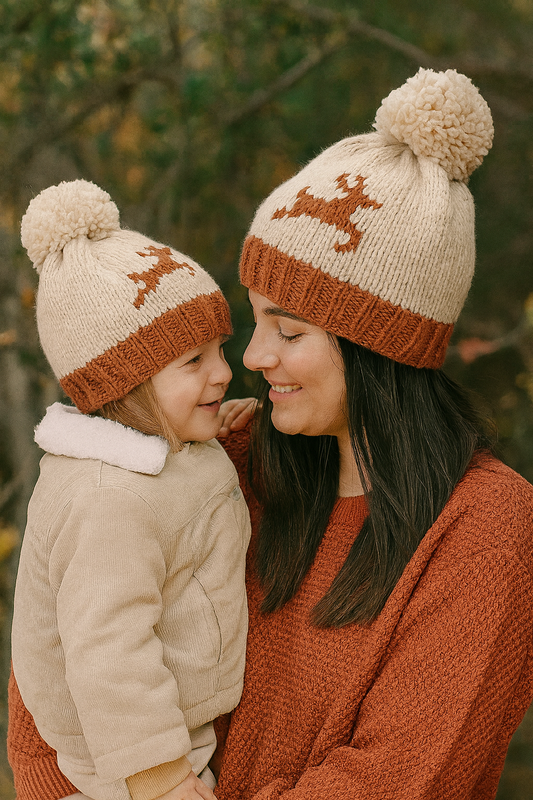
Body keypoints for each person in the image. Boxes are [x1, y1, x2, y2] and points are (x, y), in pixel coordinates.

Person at [8, 68, 533, 800]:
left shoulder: (484, 529)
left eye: (287, 330)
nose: (253, 359)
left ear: (378, 346)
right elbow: (60, 646)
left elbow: (393, 778)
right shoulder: (223, 459)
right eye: (254, 321)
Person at [9, 180, 251, 800]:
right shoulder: (106, 500)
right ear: (127, 386)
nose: (223, 371)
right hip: (125, 766)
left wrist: (206, 430)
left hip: (173, 733)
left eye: (219, 349)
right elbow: (107, 655)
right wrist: (162, 779)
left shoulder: (146, 452)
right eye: (193, 362)